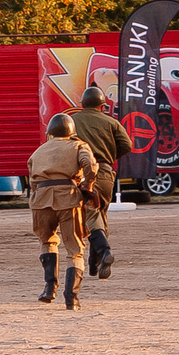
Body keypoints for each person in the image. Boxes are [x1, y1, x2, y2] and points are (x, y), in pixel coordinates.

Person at [26, 114, 101, 309]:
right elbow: (90, 165)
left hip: (40, 200)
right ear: (71, 131)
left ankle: (49, 288)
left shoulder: (39, 150)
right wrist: (88, 185)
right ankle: (71, 297)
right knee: (75, 248)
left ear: (50, 132)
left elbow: (31, 178)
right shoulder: (78, 146)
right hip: (67, 197)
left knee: (47, 241)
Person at [65, 87, 135, 280]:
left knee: (90, 213)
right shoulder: (111, 122)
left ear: (82, 104)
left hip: (82, 174)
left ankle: (104, 252)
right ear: (102, 106)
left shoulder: (73, 122)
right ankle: (95, 264)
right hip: (105, 173)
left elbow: (64, 145)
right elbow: (127, 145)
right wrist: (109, 158)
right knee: (100, 215)